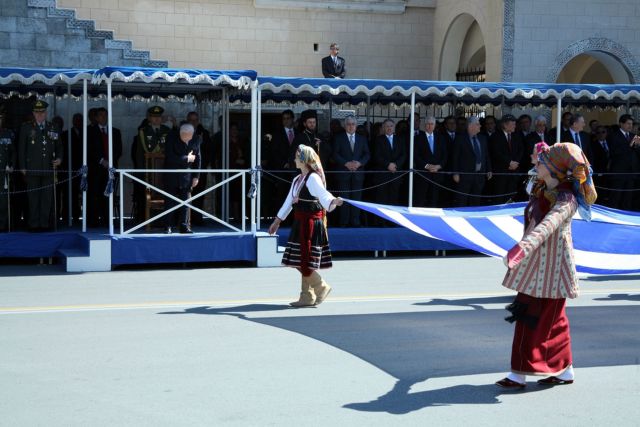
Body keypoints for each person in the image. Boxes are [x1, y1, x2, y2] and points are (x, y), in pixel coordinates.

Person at [496, 142, 597, 389]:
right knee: (551, 319)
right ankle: (566, 370)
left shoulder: (567, 199)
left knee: (535, 319)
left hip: (553, 270)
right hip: (535, 268)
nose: (537, 162)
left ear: (553, 168)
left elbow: (547, 227)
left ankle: (518, 373)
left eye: (542, 161)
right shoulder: (542, 190)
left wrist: (521, 249)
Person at [268, 144, 343, 307]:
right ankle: (306, 296)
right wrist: (277, 221)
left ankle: (320, 287)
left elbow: (324, 197)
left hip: (311, 224)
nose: (294, 159)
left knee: (301, 260)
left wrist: (334, 201)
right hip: (300, 222)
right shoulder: (297, 179)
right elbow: (288, 202)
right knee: (301, 259)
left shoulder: (313, 178)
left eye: (297, 156)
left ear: (303, 160)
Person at [18, 100, 63, 231]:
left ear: (46, 113)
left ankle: (44, 224)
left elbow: (60, 147)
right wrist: (22, 167)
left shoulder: (53, 127)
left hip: (48, 170)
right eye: (37, 112)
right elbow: (22, 149)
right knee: (33, 199)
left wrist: (59, 159)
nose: (40, 115)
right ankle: (33, 224)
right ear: (33, 113)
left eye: (42, 112)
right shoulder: (26, 128)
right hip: (32, 169)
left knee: (46, 199)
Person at [87, 107, 122, 227]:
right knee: (95, 194)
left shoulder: (115, 131)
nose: (103, 117)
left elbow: (119, 149)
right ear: (96, 118)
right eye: (100, 115)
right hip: (96, 169)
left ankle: (108, 220)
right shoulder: (89, 131)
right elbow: (89, 150)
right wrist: (102, 161)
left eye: (105, 115)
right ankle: (94, 221)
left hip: (110, 169)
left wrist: (111, 162)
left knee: (108, 194)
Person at [332, 115, 370, 227]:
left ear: (356, 126)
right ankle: (344, 222)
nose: (351, 126)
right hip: (344, 174)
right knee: (344, 199)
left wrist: (359, 163)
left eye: (353, 124)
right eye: (348, 124)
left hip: (358, 174)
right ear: (344, 125)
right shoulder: (338, 138)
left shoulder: (362, 138)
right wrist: (346, 163)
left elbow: (367, 154)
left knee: (356, 198)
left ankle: (355, 222)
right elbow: (335, 154)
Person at [163, 123, 201, 234]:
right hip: (171, 174)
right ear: (180, 133)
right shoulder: (171, 137)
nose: (186, 141)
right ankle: (167, 226)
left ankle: (184, 226)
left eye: (188, 138)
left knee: (186, 202)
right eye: (184, 138)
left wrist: (196, 176)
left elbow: (198, 158)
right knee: (170, 201)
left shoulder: (196, 139)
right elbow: (169, 157)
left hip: (186, 176)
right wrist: (187, 158)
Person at [452, 116, 492, 206]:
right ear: (471, 126)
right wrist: (455, 172)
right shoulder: (460, 138)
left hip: (479, 176)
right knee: (462, 201)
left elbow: (486, 156)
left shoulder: (483, 138)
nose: (480, 126)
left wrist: (489, 169)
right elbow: (455, 157)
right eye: (478, 124)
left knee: (476, 201)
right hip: (465, 176)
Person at [0, 110, 17, 232]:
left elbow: (13, 152)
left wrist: (12, 166)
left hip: (3, 174)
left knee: (3, 202)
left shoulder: (7, 134)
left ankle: (3, 225)